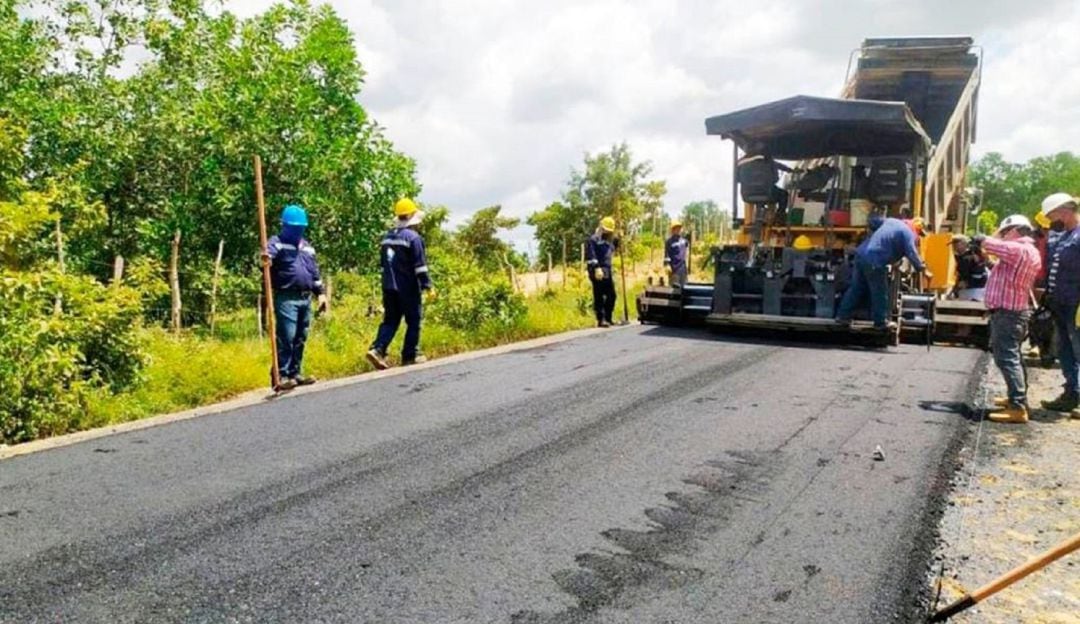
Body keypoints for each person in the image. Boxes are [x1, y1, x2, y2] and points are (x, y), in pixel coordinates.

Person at [971, 215, 1042, 423]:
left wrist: (982, 238)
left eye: (1005, 232)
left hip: (1008, 313)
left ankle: (1017, 406)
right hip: (1012, 311)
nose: (1003, 235)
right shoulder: (1029, 251)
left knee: (1007, 358)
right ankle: (1018, 398)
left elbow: (987, 242)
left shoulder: (1018, 249)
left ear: (1015, 230)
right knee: (1014, 357)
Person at [366, 198, 433, 370]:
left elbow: (384, 263)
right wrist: (427, 286)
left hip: (388, 287)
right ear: (412, 217)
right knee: (414, 320)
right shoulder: (413, 238)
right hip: (407, 287)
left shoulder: (386, 238)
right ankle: (410, 355)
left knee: (390, 320)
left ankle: (377, 349)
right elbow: (420, 266)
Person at [267, 204, 327, 390]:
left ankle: (295, 372)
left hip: (305, 297)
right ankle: (281, 374)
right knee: (287, 335)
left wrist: (322, 294)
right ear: (285, 226)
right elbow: (267, 257)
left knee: (301, 335)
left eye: (300, 227)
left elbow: (314, 273)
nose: (297, 231)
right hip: (287, 298)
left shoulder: (308, 247)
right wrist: (266, 259)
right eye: (294, 227)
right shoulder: (276, 242)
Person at [836, 214, 932, 329]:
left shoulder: (892, 221)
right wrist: (924, 270)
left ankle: (843, 317)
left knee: (856, 288)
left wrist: (874, 237)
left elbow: (873, 220)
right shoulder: (907, 233)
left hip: (861, 255)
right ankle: (880, 322)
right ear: (918, 227)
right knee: (879, 292)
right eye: (920, 233)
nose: (918, 236)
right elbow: (912, 253)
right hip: (874, 260)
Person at [1039, 192, 1080, 414]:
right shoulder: (1065, 236)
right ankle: (1072, 392)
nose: (1050, 221)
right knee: (1065, 349)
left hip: (1076, 305)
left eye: (1052, 215)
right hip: (1061, 303)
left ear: (1063, 212)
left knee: (1078, 348)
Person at [587, 216, 618, 327]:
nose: (607, 232)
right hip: (597, 270)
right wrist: (596, 267)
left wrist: (619, 238)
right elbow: (592, 255)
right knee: (599, 295)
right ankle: (601, 319)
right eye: (606, 230)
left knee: (612, 295)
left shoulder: (609, 240)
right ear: (601, 227)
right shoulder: (593, 240)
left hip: (607, 269)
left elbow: (614, 248)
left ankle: (608, 317)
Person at [664, 219, 689, 288]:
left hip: (683, 268)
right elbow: (666, 254)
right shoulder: (669, 242)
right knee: (674, 289)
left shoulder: (684, 241)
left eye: (679, 228)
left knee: (684, 288)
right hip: (673, 268)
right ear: (672, 230)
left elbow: (689, 245)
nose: (678, 230)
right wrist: (667, 265)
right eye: (676, 228)